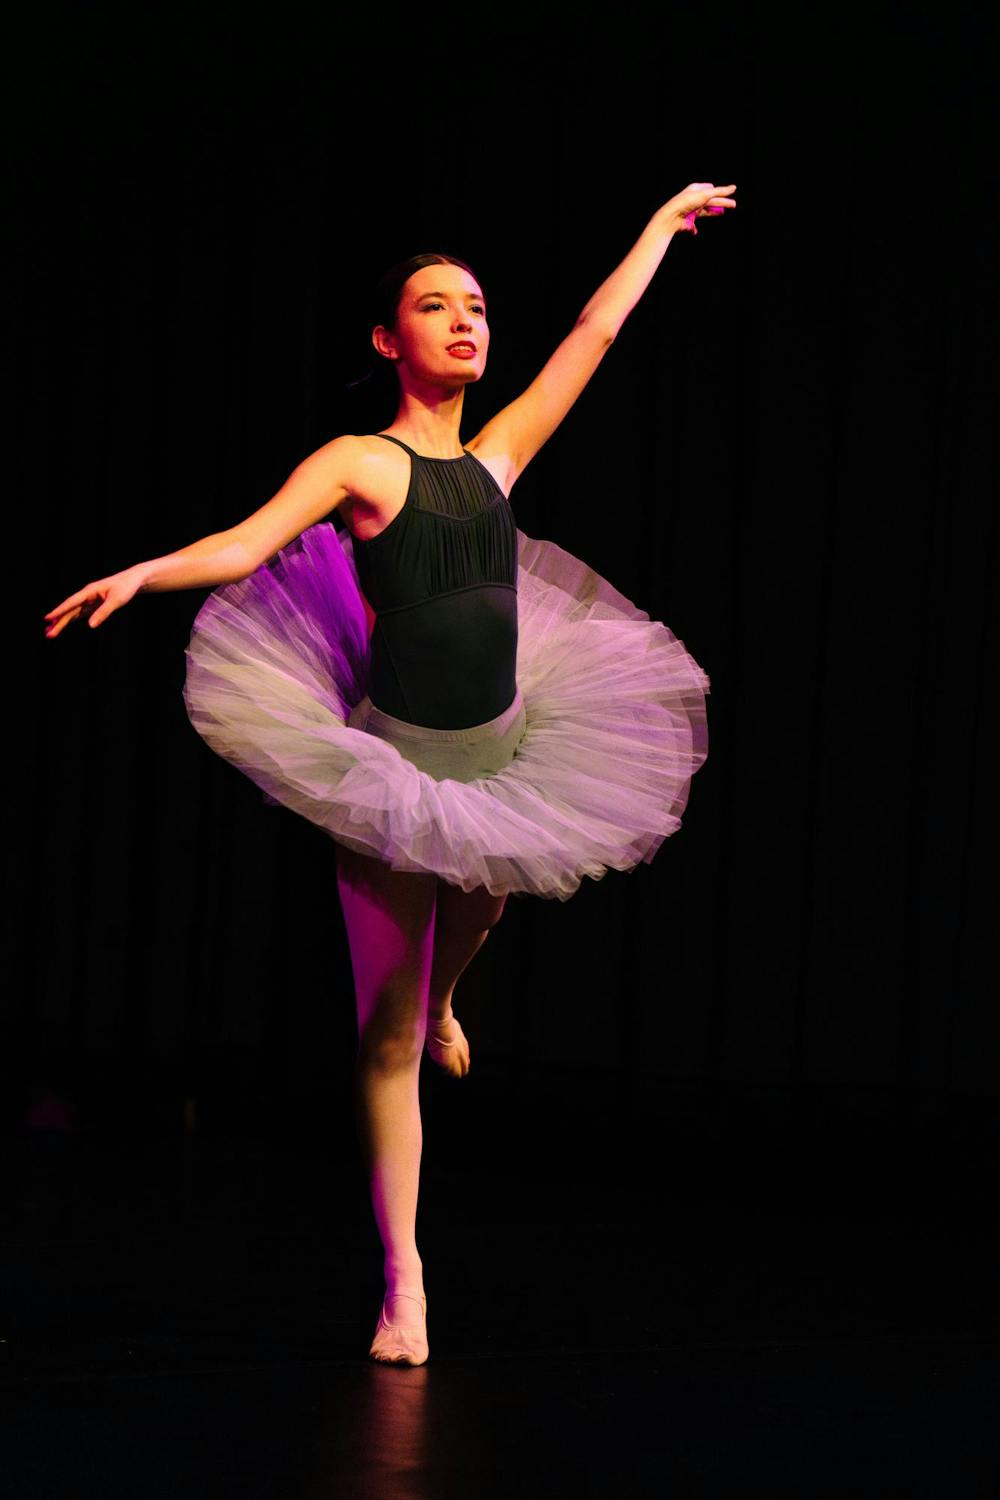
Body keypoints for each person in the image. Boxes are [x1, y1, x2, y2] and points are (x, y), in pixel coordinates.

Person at [43, 181, 737, 1366]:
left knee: (489, 896)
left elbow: (593, 335)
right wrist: (144, 571)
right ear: (388, 338)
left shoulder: (501, 456)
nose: (467, 322)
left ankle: (451, 1001)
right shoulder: (360, 465)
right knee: (383, 1033)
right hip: (394, 765)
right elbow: (249, 542)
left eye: (476, 306)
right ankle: (404, 1281)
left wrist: (658, 230)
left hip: (510, 746)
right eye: (435, 305)